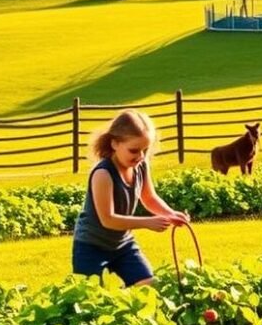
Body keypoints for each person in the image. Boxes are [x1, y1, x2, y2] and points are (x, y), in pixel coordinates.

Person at [72, 109, 189, 286]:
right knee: (90, 299)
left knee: (148, 284)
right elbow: (108, 219)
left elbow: (149, 198)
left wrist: (170, 214)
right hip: (91, 246)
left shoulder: (140, 166)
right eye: (134, 150)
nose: (140, 156)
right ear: (114, 144)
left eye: (145, 150)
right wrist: (147, 222)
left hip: (123, 245)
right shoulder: (103, 174)